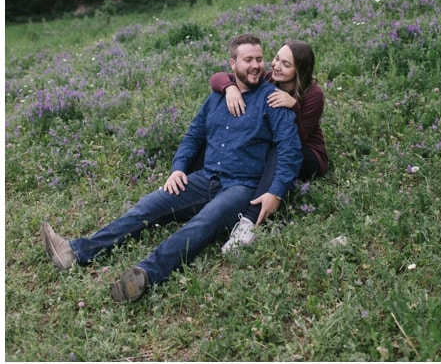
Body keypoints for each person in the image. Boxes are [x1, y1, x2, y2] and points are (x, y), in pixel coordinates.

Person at [40, 34, 303, 303]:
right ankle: (75, 251)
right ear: (233, 63)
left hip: (241, 185)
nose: (257, 65)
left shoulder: (272, 99)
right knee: (149, 205)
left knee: (203, 223)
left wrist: (277, 192)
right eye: (248, 59)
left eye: (259, 59)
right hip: (204, 178)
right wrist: (178, 169)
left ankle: (144, 275)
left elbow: (290, 150)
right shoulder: (216, 97)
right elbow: (193, 136)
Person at [206, 39, 330, 252]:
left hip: (308, 154)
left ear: (300, 70)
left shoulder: (313, 94)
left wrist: (295, 107)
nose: (276, 66)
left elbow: (295, 140)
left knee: (277, 149)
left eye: (286, 64)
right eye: (276, 58)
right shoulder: (269, 79)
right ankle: (190, 182)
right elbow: (217, 78)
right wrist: (230, 88)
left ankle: (249, 222)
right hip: (273, 146)